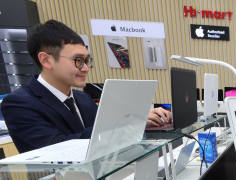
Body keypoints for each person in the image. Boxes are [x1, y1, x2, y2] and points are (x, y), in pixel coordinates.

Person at [1, 20, 171, 153]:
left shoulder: (82, 99)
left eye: (87, 60)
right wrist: (127, 121)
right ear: (46, 60)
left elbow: (103, 136)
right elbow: (55, 148)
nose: (85, 68)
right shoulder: (18, 104)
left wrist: (139, 119)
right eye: (78, 60)